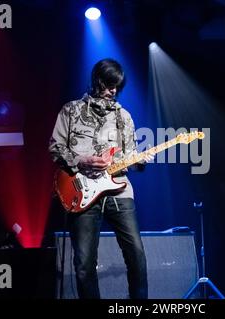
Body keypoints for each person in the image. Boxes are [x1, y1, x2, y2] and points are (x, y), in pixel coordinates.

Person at [49, 58, 151, 299]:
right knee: (84, 264)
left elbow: (131, 156)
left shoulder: (123, 116)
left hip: (119, 191)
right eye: (108, 84)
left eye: (117, 86)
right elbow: (55, 148)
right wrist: (81, 160)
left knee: (137, 255)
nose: (113, 91)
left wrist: (140, 161)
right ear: (97, 80)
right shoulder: (71, 110)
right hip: (82, 192)